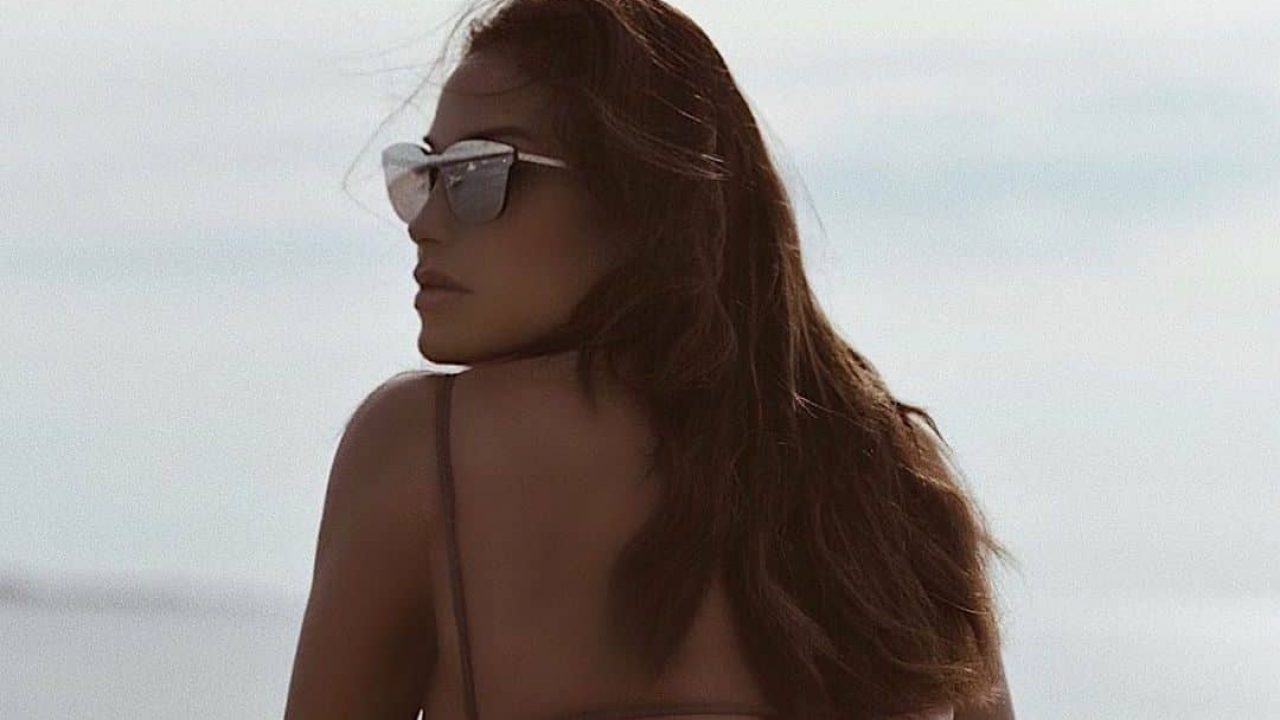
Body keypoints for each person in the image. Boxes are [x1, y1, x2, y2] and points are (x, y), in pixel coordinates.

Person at [284, 0, 1017, 718]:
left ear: (639, 192)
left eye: (478, 174)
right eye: (423, 174)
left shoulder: (425, 451)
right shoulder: (899, 482)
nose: (425, 223)